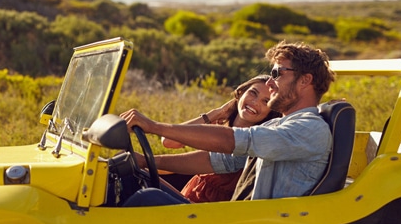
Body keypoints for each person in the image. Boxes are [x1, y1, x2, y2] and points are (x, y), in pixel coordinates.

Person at [120, 40, 336, 205]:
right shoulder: (277, 127)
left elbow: (234, 140)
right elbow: (217, 161)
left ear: (305, 80)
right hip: (237, 218)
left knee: (146, 200)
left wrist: (154, 126)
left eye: (277, 73)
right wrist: (145, 161)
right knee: (127, 178)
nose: (269, 82)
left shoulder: (309, 127)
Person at [161, 75, 280, 203]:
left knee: (145, 188)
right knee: (139, 176)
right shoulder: (220, 126)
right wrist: (216, 113)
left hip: (207, 209)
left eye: (266, 101)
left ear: (271, 111)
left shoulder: (251, 140)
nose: (255, 102)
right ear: (241, 93)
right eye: (253, 93)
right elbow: (169, 141)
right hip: (190, 193)